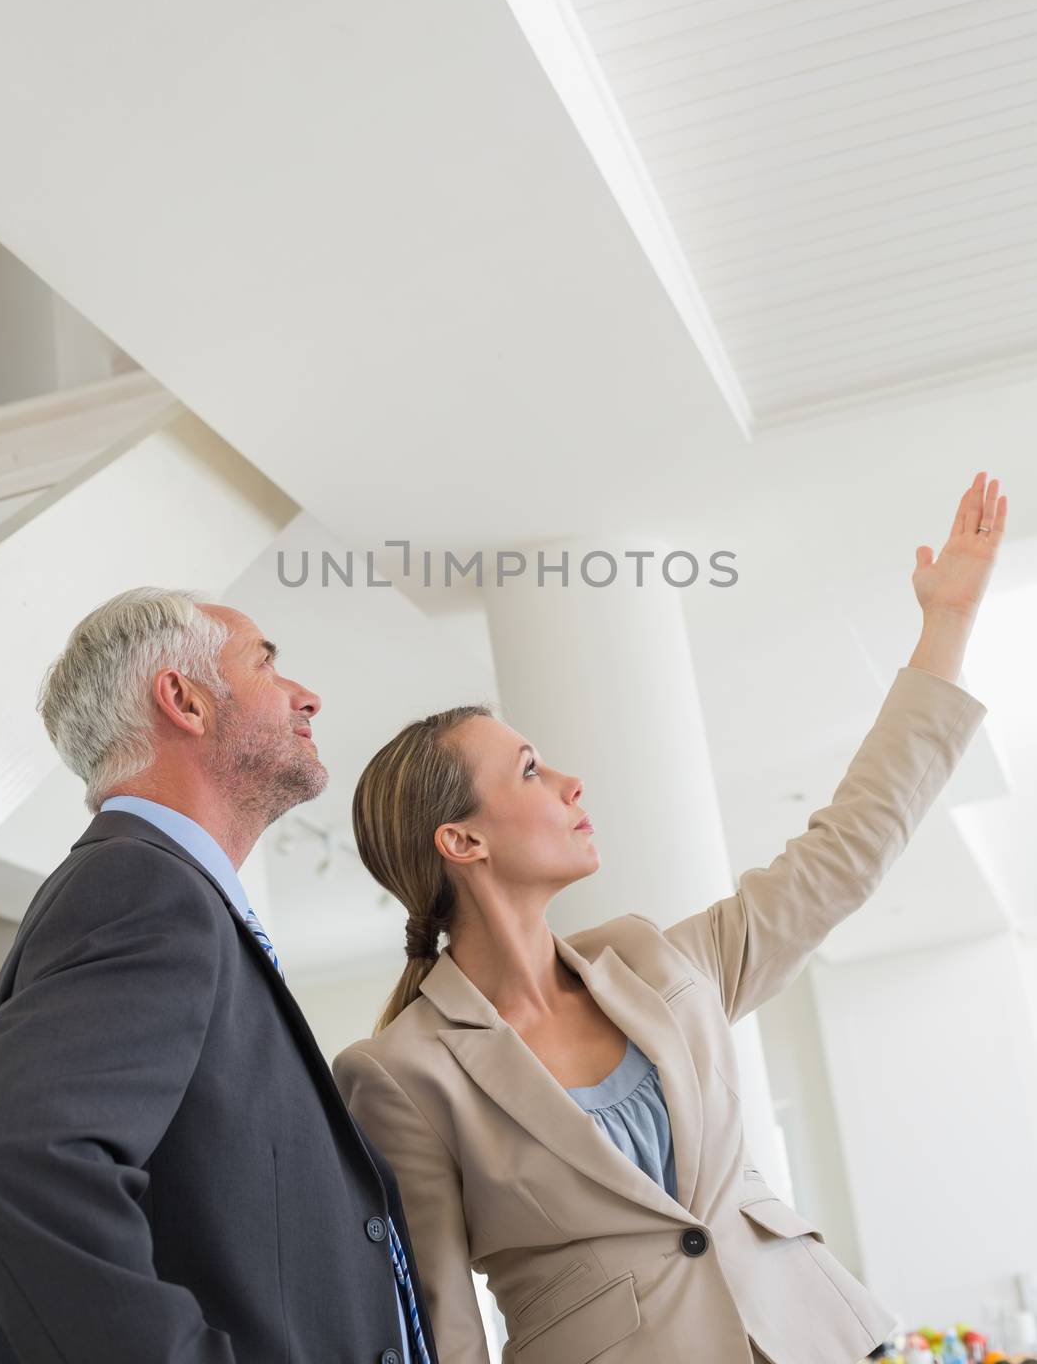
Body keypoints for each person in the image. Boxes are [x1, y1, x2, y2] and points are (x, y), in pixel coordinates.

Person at [334, 472, 1007, 1364]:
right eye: (530, 771)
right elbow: (438, 1318)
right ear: (460, 840)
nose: (572, 783)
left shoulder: (655, 963)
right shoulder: (402, 1073)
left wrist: (946, 627)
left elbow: (847, 852)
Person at [0, 587, 435, 1364]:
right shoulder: (142, 886)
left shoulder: (173, 896)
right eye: (265, 664)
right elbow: (21, 1149)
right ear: (183, 700)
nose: (306, 695)